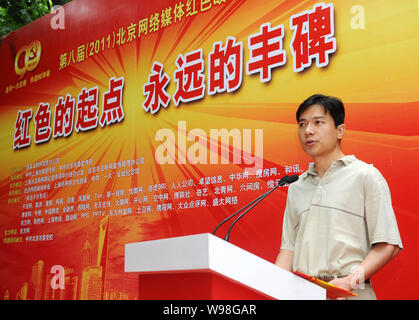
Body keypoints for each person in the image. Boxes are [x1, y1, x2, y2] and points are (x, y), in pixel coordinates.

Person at [275, 94, 403, 299]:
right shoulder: (296, 186)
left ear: (340, 130)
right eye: (302, 124)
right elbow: (288, 249)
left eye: (318, 122)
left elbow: (388, 244)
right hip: (304, 293)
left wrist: (350, 281)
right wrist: (273, 286)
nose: (308, 131)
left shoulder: (364, 175)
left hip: (350, 291)